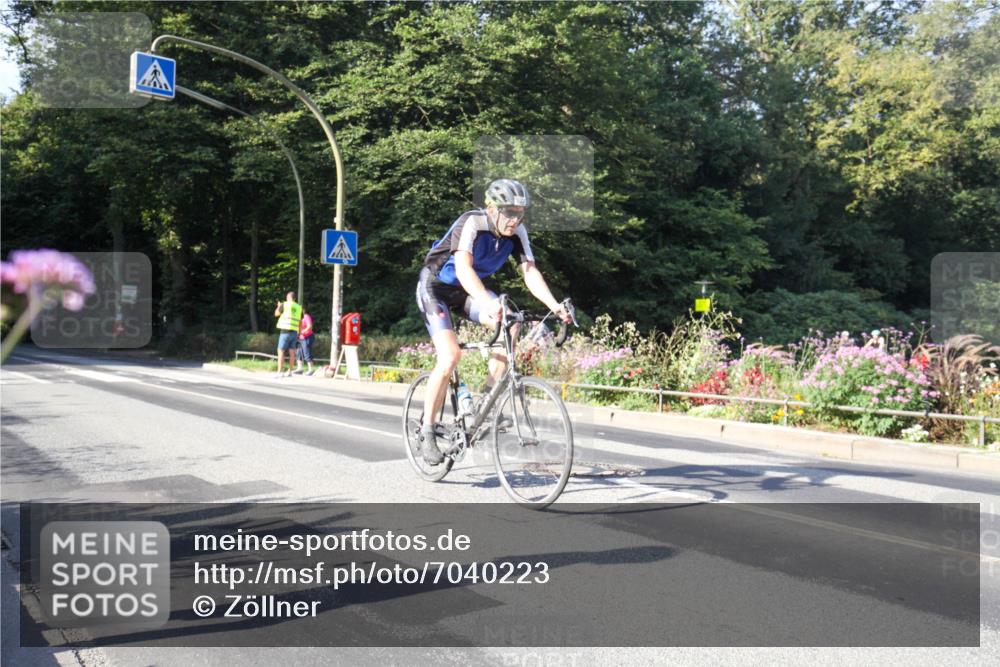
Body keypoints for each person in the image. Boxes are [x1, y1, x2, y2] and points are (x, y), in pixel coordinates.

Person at [414, 179, 571, 465]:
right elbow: (463, 268)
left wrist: (555, 307)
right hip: (435, 287)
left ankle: (485, 402)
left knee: (511, 322)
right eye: (509, 212)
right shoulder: (472, 222)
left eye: (520, 213)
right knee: (450, 356)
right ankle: (427, 430)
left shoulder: (517, 233)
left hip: (465, 292)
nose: (515, 220)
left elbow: (530, 272)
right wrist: (488, 303)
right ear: (491, 208)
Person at [273, 291, 302, 378]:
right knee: (292, 352)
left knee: (281, 351)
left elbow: (276, 314)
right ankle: (290, 371)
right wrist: (299, 333)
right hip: (294, 332)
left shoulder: (284, 305)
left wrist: (278, 306)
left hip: (285, 331)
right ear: (295, 298)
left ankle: (280, 371)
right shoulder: (299, 307)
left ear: (287, 297)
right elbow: (300, 322)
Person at [293, 310, 317, 376]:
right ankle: (299, 369)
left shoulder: (306, 316)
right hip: (300, 338)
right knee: (298, 353)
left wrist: (302, 332)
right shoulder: (297, 318)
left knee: (307, 352)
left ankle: (311, 369)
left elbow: (309, 327)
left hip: (307, 337)